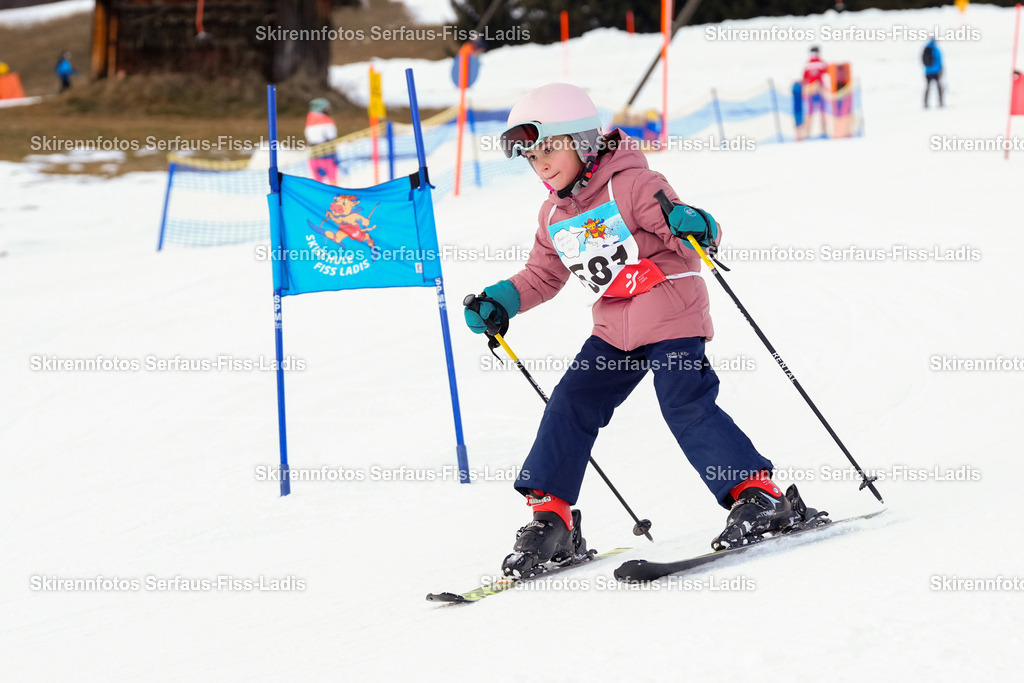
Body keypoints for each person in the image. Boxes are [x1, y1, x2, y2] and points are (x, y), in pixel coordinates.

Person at [464, 83, 818, 577]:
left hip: (670, 312)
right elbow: (543, 275)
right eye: (531, 157)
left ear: (583, 141)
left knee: (683, 402)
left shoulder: (633, 185)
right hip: (615, 328)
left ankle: (758, 493)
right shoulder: (553, 215)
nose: (540, 164)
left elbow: (689, 231)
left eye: (549, 149)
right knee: (570, 401)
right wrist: (502, 300)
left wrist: (697, 226)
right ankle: (552, 517)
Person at [304, 97, 340, 185]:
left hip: (313, 156)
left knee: (318, 184)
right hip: (328, 156)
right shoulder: (328, 121)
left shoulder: (309, 120)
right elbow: (332, 137)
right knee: (333, 182)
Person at [801, 46, 829, 139]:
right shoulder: (822, 63)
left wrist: (804, 93)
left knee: (809, 113)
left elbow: (804, 79)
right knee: (822, 112)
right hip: (820, 90)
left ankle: (807, 133)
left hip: (810, 90)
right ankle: (824, 131)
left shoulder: (807, 64)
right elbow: (828, 75)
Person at [922, 37, 944, 108]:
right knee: (939, 87)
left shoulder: (926, 49)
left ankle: (925, 103)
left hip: (927, 72)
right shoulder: (936, 50)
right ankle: (941, 102)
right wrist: (941, 70)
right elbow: (939, 61)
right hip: (936, 72)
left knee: (928, 87)